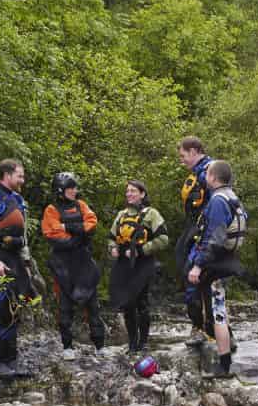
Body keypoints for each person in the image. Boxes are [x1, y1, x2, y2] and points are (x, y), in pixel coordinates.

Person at [0, 159, 45, 380]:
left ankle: (11, 362)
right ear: (7, 174)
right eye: (20, 176)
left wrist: (27, 264)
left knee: (15, 305)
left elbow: (22, 237)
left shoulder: (19, 200)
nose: (23, 180)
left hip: (15, 260)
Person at [187, 159, 247, 379]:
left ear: (213, 177)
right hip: (227, 260)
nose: (205, 178)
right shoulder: (233, 198)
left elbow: (215, 237)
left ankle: (224, 364)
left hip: (216, 264)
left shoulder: (218, 201)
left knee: (217, 311)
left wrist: (197, 265)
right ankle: (227, 353)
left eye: (207, 175)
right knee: (219, 307)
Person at [41, 172, 103, 360]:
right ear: (60, 191)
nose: (75, 191)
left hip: (83, 261)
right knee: (65, 305)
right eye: (71, 189)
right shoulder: (51, 209)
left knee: (92, 303)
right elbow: (51, 233)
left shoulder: (81, 205)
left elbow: (91, 224)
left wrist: (67, 228)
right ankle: (67, 346)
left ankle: (100, 345)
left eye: (75, 188)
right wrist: (78, 234)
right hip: (63, 264)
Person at [106, 179, 169, 354]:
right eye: (128, 191)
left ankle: (144, 342)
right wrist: (113, 248)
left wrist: (141, 250)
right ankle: (132, 344)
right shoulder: (121, 215)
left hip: (143, 262)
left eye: (133, 191)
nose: (129, 194)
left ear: (142, 194)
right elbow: (111, 237)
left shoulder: (152, 214)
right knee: (127, 304)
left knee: (141, 301)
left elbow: (163, 239)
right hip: (124, 264)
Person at [176, 136, 212, 341]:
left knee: (200, 280)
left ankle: (205, 329)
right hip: (193, 230)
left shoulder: (210, 172)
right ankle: (199, 327)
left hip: (205, 234)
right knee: (189, 276)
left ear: (193, 151)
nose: (182, 161)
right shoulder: (196, 174)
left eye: (183, 156)